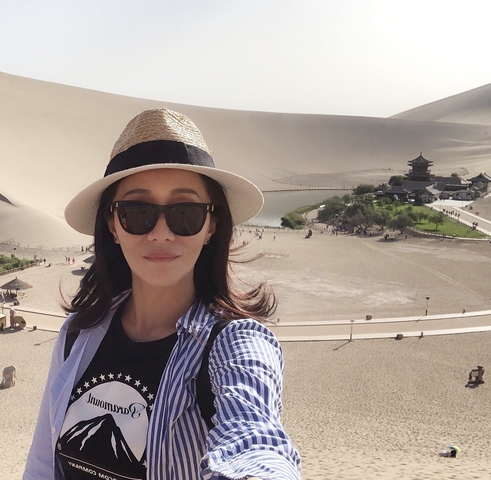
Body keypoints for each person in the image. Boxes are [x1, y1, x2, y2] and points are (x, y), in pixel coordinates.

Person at [22, 109, 301, 479]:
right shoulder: (78, 334)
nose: (161, 233)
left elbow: (255, 440)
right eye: (137, 212)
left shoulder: (234, 343)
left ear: (211, 226)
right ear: (112, 225)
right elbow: (43, 462)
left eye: (185, 213)